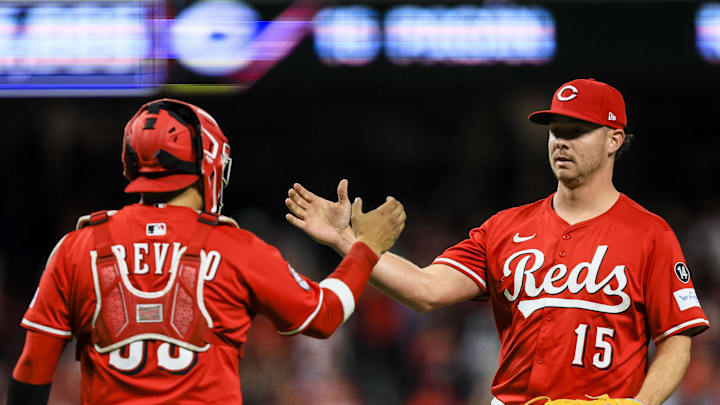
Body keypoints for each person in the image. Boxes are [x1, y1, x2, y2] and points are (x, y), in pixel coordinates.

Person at [284, 78, 710, 405]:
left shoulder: (650, 234)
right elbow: (425, 290)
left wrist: (641, 403)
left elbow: (676, 338)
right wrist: (347, 242)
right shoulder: (506, 227)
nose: (561, 140)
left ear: (615, 139)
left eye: (577, 130)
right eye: (555, 129)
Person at [7, 98, 406, 405]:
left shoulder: (77, 246)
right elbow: (324, 316)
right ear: (210, 166)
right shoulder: (235, 248)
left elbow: (31, 368)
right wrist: (365, 249)